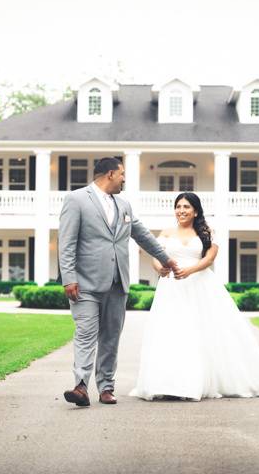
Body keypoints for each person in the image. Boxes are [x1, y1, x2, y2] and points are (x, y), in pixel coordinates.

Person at [130, 192, 259, 401]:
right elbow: (155, 257)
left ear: (195, 211)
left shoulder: (207, 232)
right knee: (170, 331)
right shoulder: (166, 232)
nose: (181, 211)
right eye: (178, 206)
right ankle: (166, 382)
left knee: (199, 331)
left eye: (186, 207)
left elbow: (210, 258)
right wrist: (160, 268)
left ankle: (195, 383)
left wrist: (189, 271)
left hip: (200, 286)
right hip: (171, 288)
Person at [58, 157, 178, 407]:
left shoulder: (124, 205)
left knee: (111, 337)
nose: (124, 179)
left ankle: (106, 387)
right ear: (110, 174)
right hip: (85, 283)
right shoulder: (76, 199)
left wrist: (166, 259)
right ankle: (80, 385)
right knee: (86, 334)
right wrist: (68, 277)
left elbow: (142, 235)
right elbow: (66, 242)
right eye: (122, 174)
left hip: (117, 282)